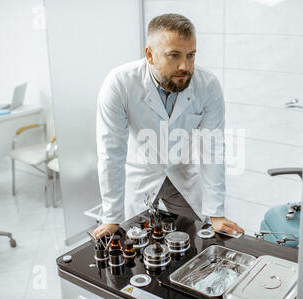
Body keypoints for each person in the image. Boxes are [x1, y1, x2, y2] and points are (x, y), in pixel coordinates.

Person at [92, 13, 243, 239]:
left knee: (191, 245)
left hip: (183, 177)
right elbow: (111, 152)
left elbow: (212, 149)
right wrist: (111, 217)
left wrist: (216, 213)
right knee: (138, 249)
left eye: (190, 55)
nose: (185, 66)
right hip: (141, 175)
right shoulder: (120, 84)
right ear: (150, 55)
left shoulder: (207, 85)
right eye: (174, 55)